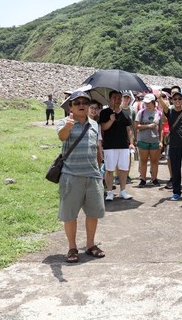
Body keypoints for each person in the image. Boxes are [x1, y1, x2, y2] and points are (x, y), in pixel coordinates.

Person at [56, 91, 105, 263]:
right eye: (77, 103)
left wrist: (100, 168)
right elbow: (62, 137)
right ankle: (72, 248)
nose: (81, 105)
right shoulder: (64, 122)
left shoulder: (93, 124)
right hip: (71, 175)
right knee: (70, 214)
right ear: (70, 106)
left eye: (85, 102)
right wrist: (68, 126)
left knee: (93, 212)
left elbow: (96, 148)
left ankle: (90, 245)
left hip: (92, 175)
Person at [158, 91, 182, 200]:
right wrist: (159, 97)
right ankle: (176, 192)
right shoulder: (169, 111)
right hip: (174, 146)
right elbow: (163, 106)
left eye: (179, 99)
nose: (177, 101)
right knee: (175, 170)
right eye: (175, 99)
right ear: (172, 100)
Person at [99, 90, 135, 201]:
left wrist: (131, 143)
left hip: (123, 145)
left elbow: (129, 129)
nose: (117, 100)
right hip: (109, 145)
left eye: (119, 98)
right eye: (114, 97)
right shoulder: (104, 112)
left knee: (123, 169)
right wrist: (111, 120)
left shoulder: (125, 113)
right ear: (110, 99)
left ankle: (123, 190)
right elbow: (104, 127)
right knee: (109, 169)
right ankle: (109, 192)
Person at [135, 93, 163, 187]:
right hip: (143, 140)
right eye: (145, 102)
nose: (146, 104)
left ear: (153, 102)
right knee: (143, 160)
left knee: (154, 161)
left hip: (154, 140)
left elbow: (161, 128)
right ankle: (143, 179)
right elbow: (136, 126)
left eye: (148, 102)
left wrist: (161, 141)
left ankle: (154, 179)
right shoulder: (141, 112)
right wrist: (148, 126)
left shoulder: (158, 113)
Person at [120, 91, 137, 184]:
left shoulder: (132, 110)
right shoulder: (118, 109)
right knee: (119, 156)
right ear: (122, 98)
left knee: (128, 156)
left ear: (130, 99)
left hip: (129, 136)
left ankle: (127, 175)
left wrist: (135, 137)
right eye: (124, 98)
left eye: (127, 98)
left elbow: (134, 124)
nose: (126, 99)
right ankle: (118, 176)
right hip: (119, 135)